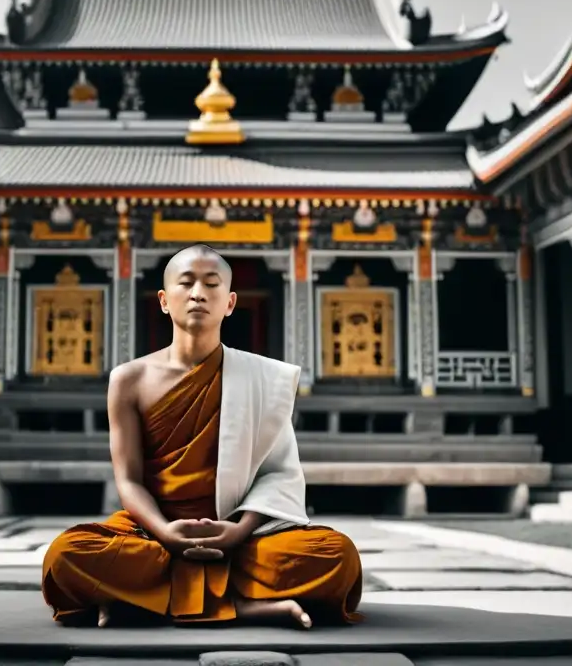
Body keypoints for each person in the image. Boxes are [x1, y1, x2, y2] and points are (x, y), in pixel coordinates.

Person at [41, 244, 363, 628]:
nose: (198, 293)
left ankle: (141, 601)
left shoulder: (262, 378)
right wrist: (165, 532)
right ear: (164, 300)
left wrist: (238, 531)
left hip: (240, 535)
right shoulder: (129, 380)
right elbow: (129, 479)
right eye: (186, 282)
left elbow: (278, 473)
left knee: (337, 555)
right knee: (66, 555)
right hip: (152, 531)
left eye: (211, 284)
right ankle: (244, 605)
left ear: (229, 303)